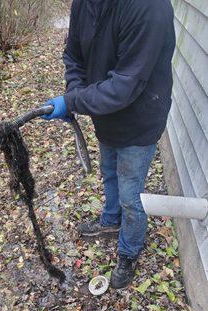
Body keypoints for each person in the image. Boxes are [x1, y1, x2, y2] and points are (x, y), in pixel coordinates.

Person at [41, 0, 176, 289]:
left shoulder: (149, 8)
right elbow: (73, 55)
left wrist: (73, 102)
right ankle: (111, 219)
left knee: (131, 193)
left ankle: (129, 250)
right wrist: (76, 92)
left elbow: (125, 84)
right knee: (109, 171)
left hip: (140, 118)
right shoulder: (85, 3)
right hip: (105, 114)